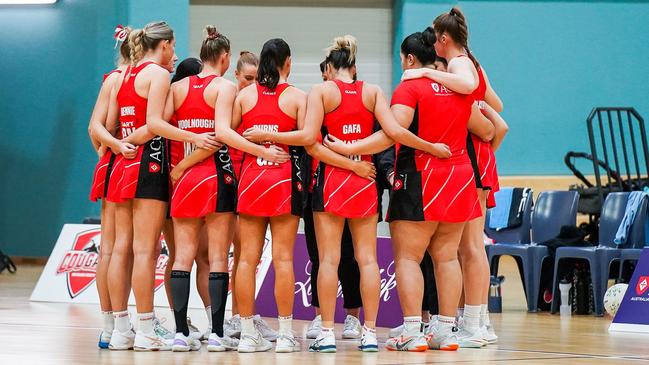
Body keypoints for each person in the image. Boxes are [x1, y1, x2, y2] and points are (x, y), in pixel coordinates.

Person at [304, 35, 447, 353]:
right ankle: (370, 332)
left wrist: (346, 162)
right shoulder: (372, 92)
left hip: (333, 180)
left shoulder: (321, 91)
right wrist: (432, 147)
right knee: (367, 260)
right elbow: (395, 132)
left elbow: (311, 144)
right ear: (354, 67)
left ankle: (327, 331)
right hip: (365, 181)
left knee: (329, 260)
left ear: (330, 66)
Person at [403, 11, 508, 346]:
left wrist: (423, 73)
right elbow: (498, 105)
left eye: (435, 37)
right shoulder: (473, 62)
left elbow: (490, 122)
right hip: (476, 158)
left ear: (442, 38)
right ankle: (478, 322)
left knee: (471, 246)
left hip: (470, 158)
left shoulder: (458, 67)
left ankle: (475, 324)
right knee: (466, 247)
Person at [214, 38, 308, 353]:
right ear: (288, 63)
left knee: (245, 260)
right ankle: (283, 334)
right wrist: (275, 138)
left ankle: (247, 332)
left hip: (252, 181)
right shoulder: (297, 97)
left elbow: (226, 134)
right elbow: (309, 137)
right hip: (283, 182)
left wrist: (259, 141)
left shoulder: (245, 95)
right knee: (283, 259)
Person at [100, 21, 177, 351]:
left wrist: (117, 144)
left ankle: (120, 328)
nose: (173, 53)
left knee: (120, 249)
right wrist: (191, 136)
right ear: (165, 45)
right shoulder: (158, 75)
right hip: (149, 163)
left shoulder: (121, 76)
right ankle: (145, 328)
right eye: (172, 46)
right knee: (145, 251)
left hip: (120, 164)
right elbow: (155, 125)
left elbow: (102, 128)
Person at [303, 60, 364, 341]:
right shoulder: (315, 102)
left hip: (354, 186)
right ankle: (320, 318)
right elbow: (307, 144)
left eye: (328, 70)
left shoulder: (365, 100)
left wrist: (353, 164)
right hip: (317, 187)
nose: (327, 76)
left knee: (351, 257)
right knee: (319, 257)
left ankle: (353, 317)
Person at [224, 51, 278, 342]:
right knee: (239, 254)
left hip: (251, 179)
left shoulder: (260, 98)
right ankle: (236, 319)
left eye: (257, 78)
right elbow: (222, 133)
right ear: (235, 75)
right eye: (248, 78)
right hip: (231, 178)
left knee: (247, 254)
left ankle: (243, 316)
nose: (253, 83)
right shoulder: (233, 98)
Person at [87, 24, 132, 349]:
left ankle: (108, 324)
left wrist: (105, 151)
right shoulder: (126, 79)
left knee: (109, 248)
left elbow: (94, 132)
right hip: (124, 163)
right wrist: (117, 146)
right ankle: (121, 322)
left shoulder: (112, 76)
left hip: (109, 163)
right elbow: (97, 126)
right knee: (121, 249)